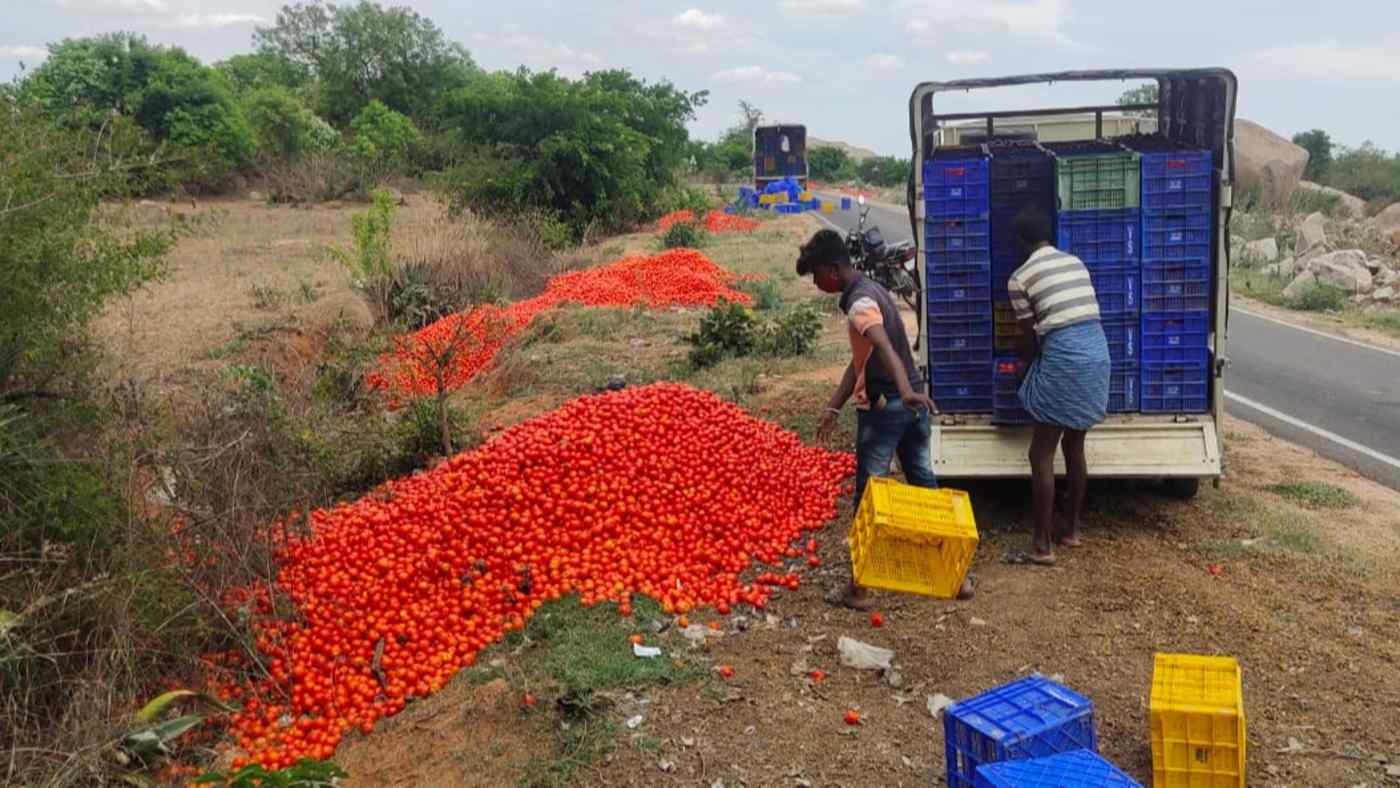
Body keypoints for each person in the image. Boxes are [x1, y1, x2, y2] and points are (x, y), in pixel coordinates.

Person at [796, 228, 975, 608]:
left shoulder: (859, 301)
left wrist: (903, 391)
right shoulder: (874, 288)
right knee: (925, 484)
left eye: (815, 275)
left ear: (832, 269)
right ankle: (959, 578)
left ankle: (858, 589)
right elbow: (861, 358)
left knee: (867, 496)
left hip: (888, 406)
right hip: (909, 405)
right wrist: (834, 406)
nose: (816, 284)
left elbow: (881, 343)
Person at [1006, 207, 1112, 565]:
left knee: (1041, 453)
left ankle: (1041, 545)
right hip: (1098, 353)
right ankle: (1072, 530)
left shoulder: (1020, 278)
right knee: (1075, 444)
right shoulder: (1075, 262)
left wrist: (1022, 368)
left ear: (1021, 242)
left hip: (1066, 357)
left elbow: (1029, 339)